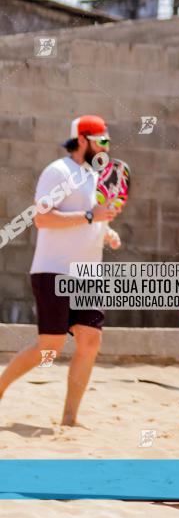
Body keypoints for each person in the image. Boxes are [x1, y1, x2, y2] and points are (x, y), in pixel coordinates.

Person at [0, 115, 122, 427]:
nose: (106, 146)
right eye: (102, 140)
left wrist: (106, 231)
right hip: (54, 270)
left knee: (90, 341)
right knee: (50, 345)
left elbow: (92, 218)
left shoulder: (93, 177)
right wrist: (88, 216)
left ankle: (70, 418)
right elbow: (42, 219)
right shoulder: (58, 171)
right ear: (83, 139)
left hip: (88, 274)